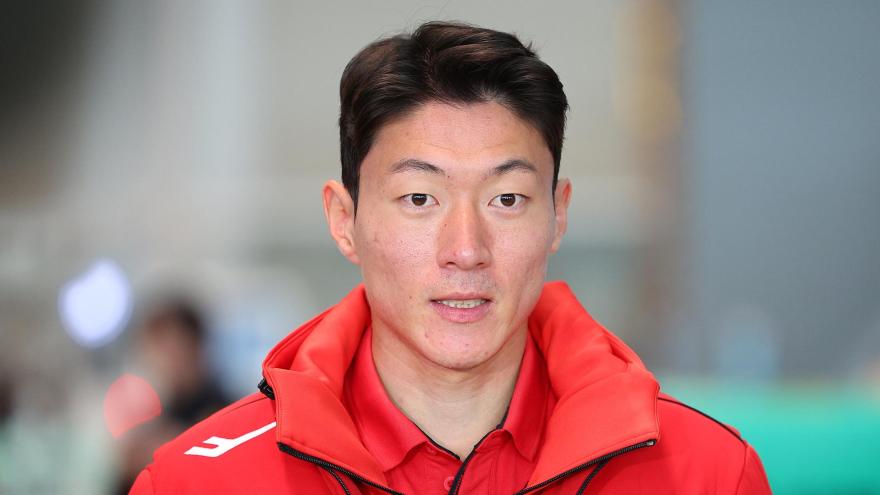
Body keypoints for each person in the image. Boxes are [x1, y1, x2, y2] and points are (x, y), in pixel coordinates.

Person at [130, 21, 771, 494]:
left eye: (507, 199)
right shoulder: (199, 483)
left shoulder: (705, 474)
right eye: (419, 198)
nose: (466, 250)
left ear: (558, 216)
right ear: (344, 221)